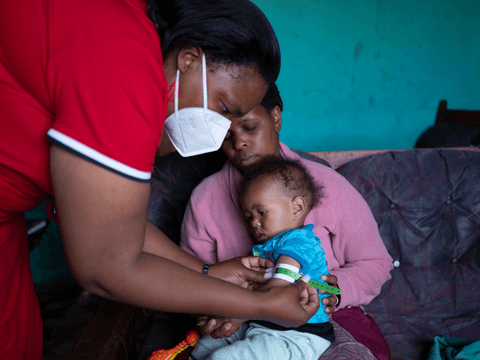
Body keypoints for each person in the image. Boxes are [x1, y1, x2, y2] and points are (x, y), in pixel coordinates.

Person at [0, 1, 319, 359]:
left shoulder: (124, 41)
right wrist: (262, 306)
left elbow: (112, 224)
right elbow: (106, 266)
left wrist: (207, 272)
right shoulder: (126, 71)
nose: (220, 135)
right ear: (188, 59)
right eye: (223, 108)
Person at [180, 84, 394, 355]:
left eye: (249, 127)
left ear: (276, 118)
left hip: (323, 320)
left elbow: (376, 263)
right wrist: (213, 311)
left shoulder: (329, 185)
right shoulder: (205, 200)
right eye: (225, 136)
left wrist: (333, 290)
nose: (239, 143)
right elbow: (191, 279)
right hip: (241, 317)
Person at [191, 158, 334, 360]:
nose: (255, 223)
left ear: (297, 208)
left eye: (262, 212)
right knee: (203, 348)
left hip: (297, 334)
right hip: (262, 323)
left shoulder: (300, 243)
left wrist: (234, 310)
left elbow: (277, 289)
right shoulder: (266, 248)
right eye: (249, 217)